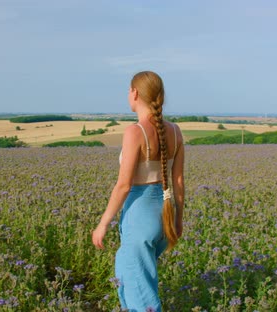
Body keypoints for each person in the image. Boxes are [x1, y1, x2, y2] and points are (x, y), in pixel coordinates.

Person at [92, 71, 185, 311]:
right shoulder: (175, 131)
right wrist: (178, 219)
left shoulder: (135, 132)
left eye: (128, 90)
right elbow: (179, 181)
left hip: (140, 214)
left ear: (134, 93)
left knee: (141, 296)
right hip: (164, 214)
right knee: (126, 275)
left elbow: (123, 185)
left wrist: (103, 223)